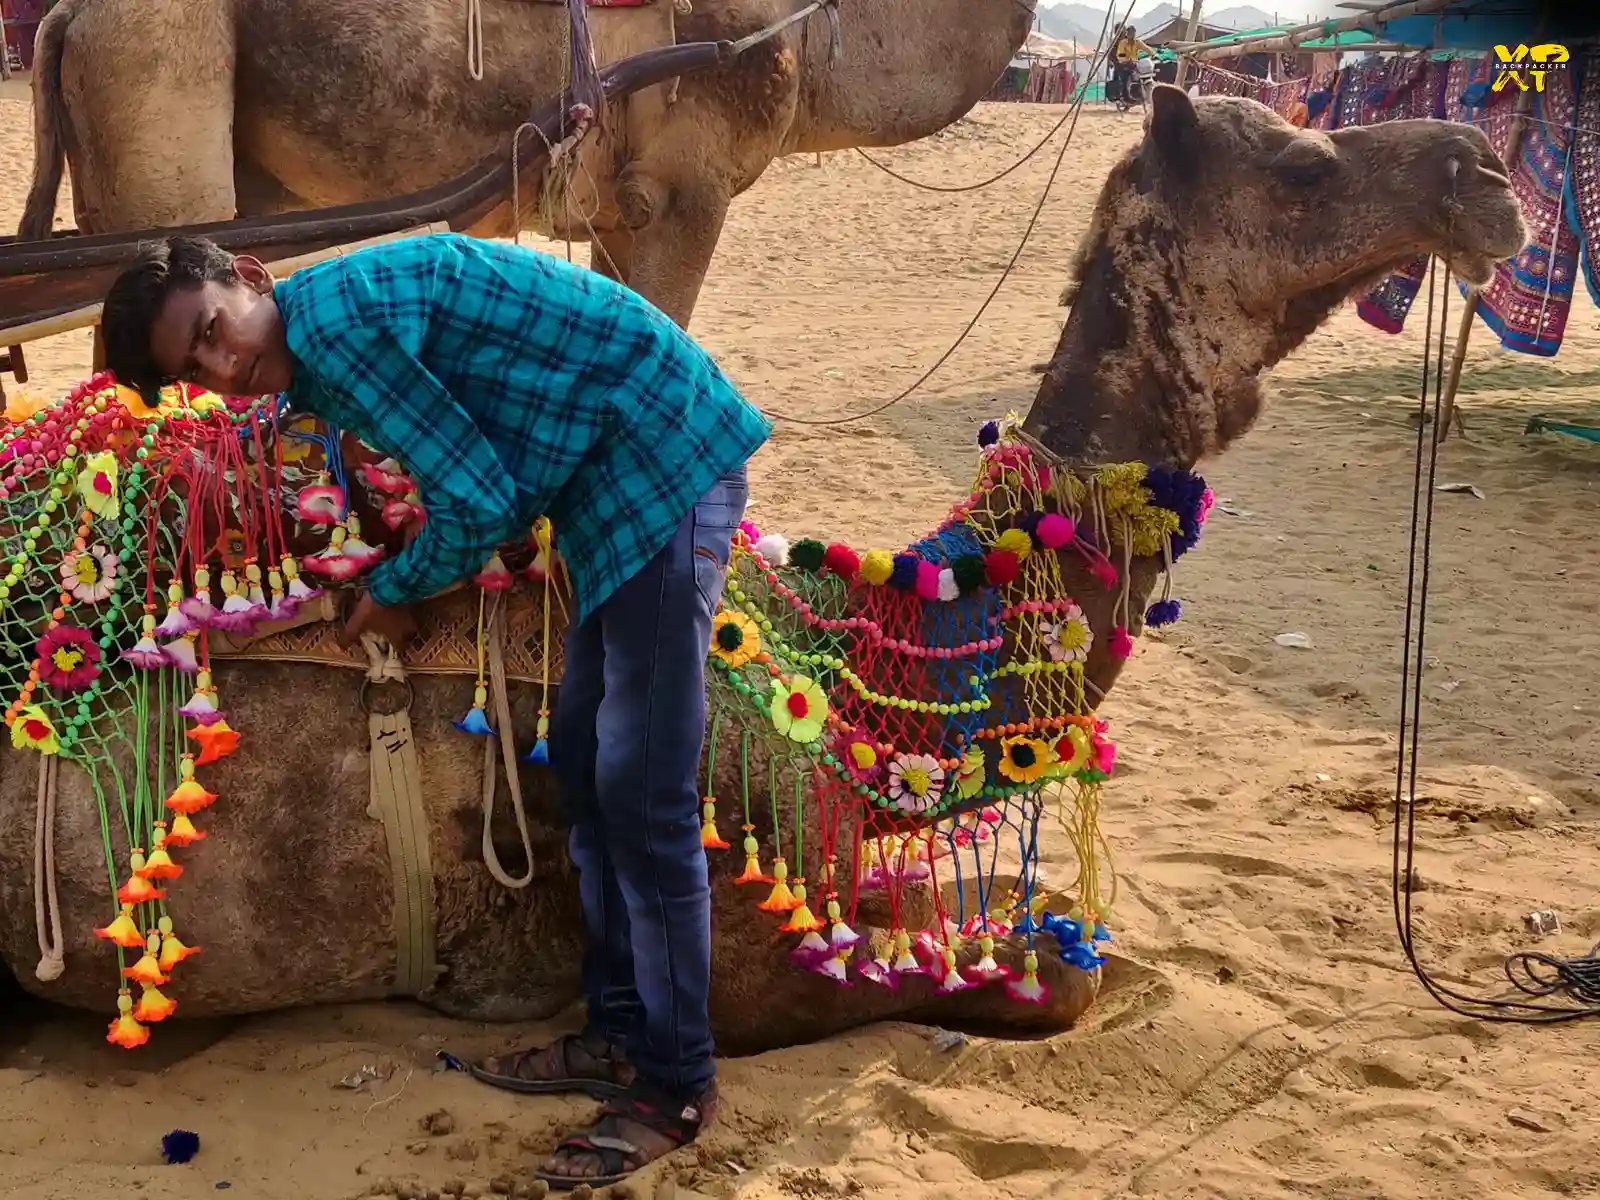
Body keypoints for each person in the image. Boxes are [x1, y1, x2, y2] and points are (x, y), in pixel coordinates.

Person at [99, 232, 771, 1190]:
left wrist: (403, 587)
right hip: (605, 487)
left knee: (641, 785)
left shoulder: (338, 323)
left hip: (662, 463)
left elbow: (479, 497)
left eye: (213, 331)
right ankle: (620, 1033)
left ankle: (677, 1084)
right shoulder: (315, 351)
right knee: (584, 755)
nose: (223, 367)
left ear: (249, 278)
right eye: (196, 368)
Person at [1111, 24, 1153, 104]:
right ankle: (1126, 97)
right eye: (1119, 31)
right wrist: (1122, 60)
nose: (1121, 32)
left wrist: (1154, 54)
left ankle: (1140, 93)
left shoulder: (1136, 41)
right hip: (1121, 64)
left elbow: (1146, 48)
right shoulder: (1118, 43)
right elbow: (1118, 54)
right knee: (1125, 77)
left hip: (1134, 63)